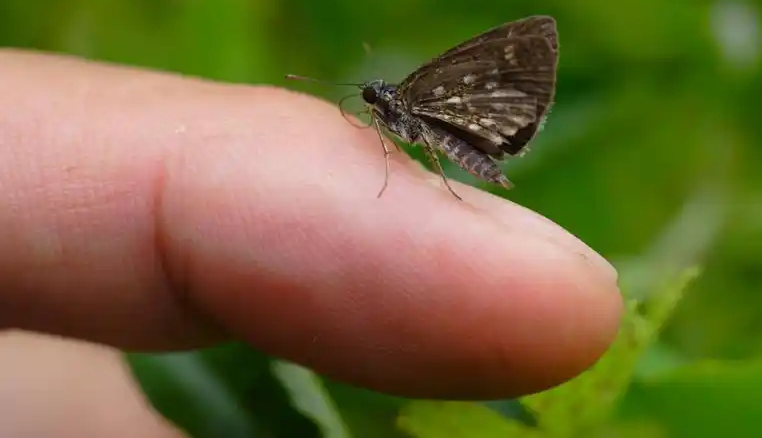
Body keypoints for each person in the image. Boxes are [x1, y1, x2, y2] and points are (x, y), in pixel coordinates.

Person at [0, 50, 622, 437]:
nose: (376, 104)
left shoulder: (409, 103)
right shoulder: (392, 112)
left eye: (376, 100)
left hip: (471, 130)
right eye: (377, 102)